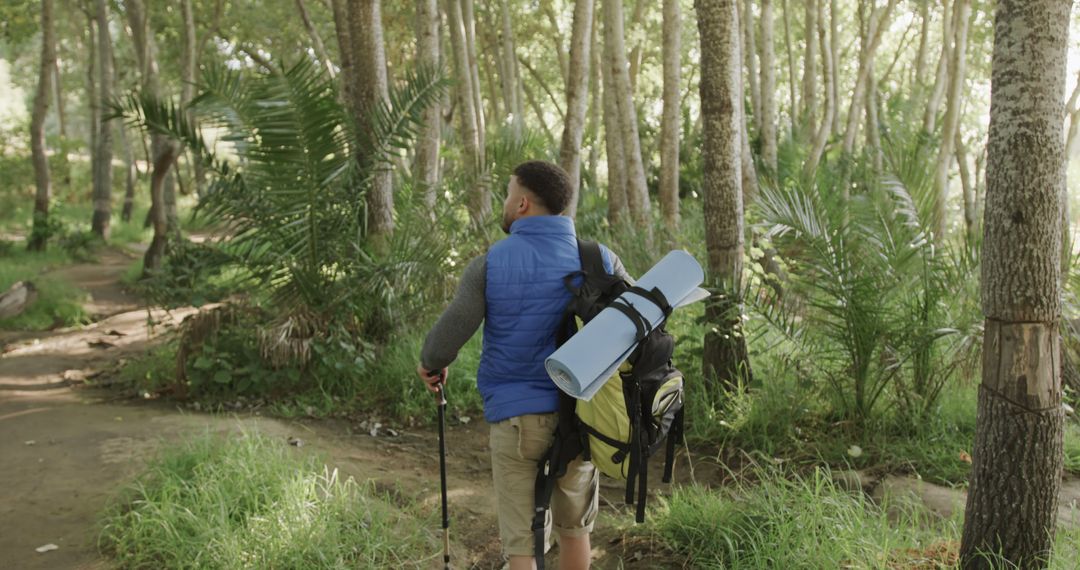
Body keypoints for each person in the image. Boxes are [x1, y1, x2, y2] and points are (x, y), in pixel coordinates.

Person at [417, 160, 632, 570]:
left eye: (506, 194)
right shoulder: (599, 258)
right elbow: (637, 322)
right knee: (575, 532)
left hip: (517, 421)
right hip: (581, 416)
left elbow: (449, 335)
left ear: (520, 204)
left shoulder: (490, 263)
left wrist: (432, 364)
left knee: (521, 545)